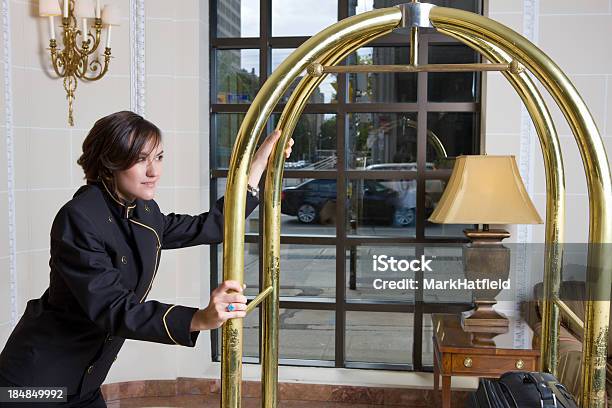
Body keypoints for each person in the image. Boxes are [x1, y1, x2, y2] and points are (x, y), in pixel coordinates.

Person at [0, 111, 293, 407]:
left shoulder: (144, 211)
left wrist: (257, 167)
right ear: (109, 161)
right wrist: (199, 318)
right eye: (141, 159)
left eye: (159, 157)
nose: (154, 171)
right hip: (33, 385)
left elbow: (212, 225)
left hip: (85, 382)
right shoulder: (79, 217)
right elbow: (113, 308)